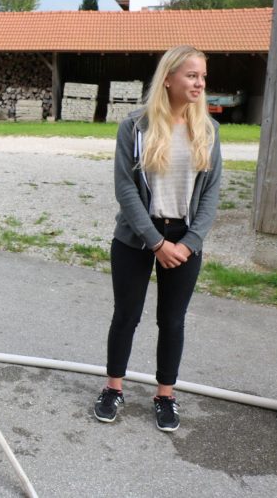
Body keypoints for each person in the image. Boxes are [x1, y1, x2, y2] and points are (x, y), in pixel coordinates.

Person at [93, 45, 222, 432]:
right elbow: (125, 189)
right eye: (191, 75)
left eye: (202, 76)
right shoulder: (134, 126)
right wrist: (156, 242)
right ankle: (113, 388)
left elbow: (213, 193)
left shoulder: (209, 130)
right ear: (168, 78)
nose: (199, 83)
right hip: (137, 238)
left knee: (172, 320)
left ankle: (165, 394)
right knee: (126, 316)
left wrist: (189, 242)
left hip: (185, 241)